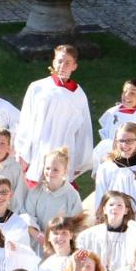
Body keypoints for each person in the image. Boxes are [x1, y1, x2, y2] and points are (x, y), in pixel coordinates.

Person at [15, 44, 93, 183]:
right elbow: (26, 120)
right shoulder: (38, 88)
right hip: (40, 147)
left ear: (74, 66)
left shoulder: (78, 95)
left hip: (65, 148)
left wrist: (81, 160)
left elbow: (84, 129)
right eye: (59, 61)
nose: (62, 66)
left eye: (68, 62)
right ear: (53, 62)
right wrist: (23, 151)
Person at [22, 148, 83, 250]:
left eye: (56, 169)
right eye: (48, 168)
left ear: (65, 171)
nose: (50, 172)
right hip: (38, 244)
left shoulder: (72, 195)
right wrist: (38, 235)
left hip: (62, 244)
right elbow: (27, 216)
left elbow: (77, 223)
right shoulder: (36, 192)